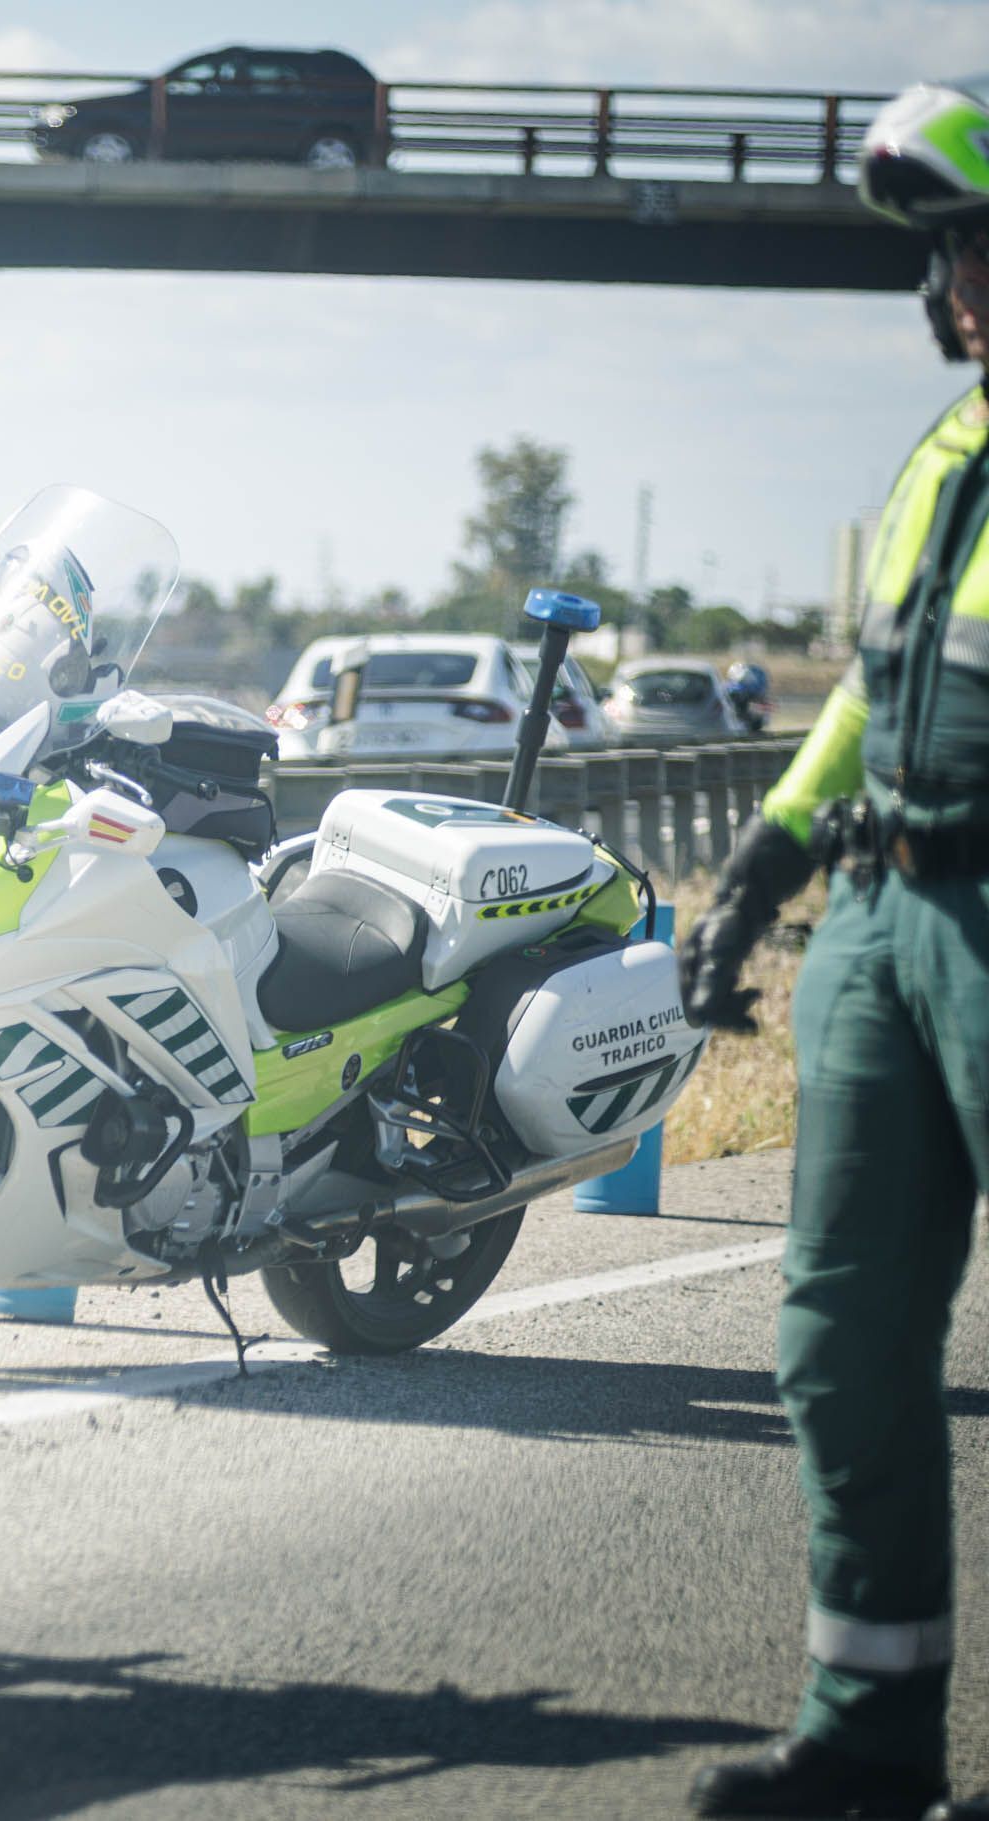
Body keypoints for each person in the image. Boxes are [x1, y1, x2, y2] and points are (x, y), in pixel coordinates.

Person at [682, 77, 989, 1821]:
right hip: (882, 920)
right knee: (841, 1336)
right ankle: (870, 1734)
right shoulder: (947, 452)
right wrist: (763, 858)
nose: (951, 292)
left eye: (975, 248)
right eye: (945, 257)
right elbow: (875, 688)